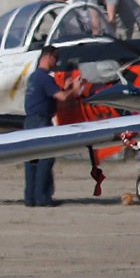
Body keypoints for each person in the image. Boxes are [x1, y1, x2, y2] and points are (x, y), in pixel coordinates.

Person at [24, 45, 81, 207]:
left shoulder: (34, 77)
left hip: (29, 121)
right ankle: (43, 197)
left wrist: (64, 88)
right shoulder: (45, 78)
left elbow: (49, 95)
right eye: (56, 58)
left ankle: (30, 197)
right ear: (48, 57)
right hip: (41, 121)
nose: (56, 62)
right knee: (45, 158)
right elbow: (62, 97)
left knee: (31, 160)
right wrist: (74, 90)